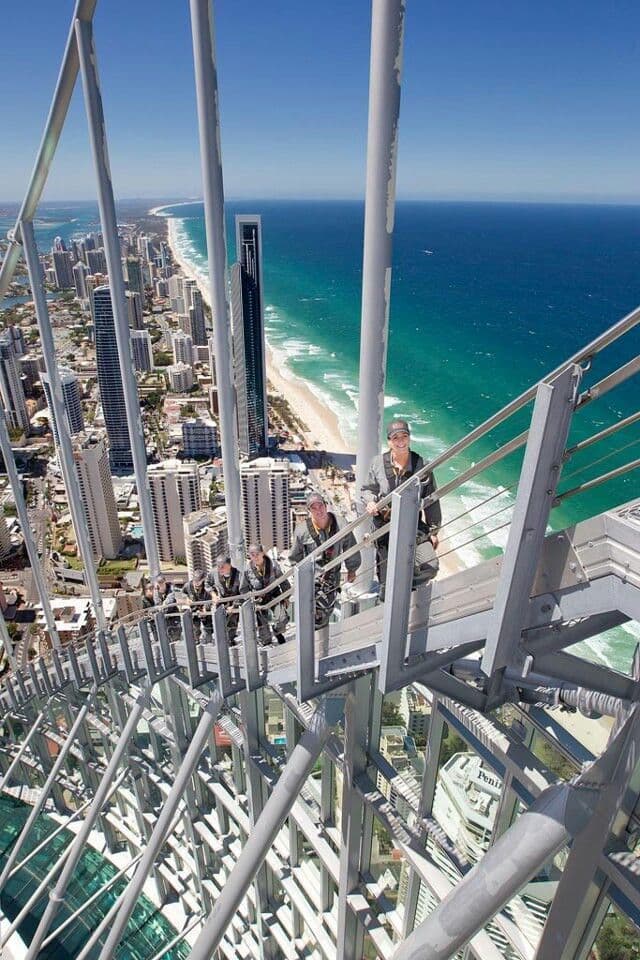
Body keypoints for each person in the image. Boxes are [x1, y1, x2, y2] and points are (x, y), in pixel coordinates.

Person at [361, 418, 441, 599]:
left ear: (409, 438)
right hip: (385, 527)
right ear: (389, 442)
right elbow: (367, 489)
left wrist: (434, 530)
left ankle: (404, 587)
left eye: (404, 436)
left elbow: (431, 499)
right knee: (385, 586)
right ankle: (390, 599)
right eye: (395, 438)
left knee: (430, 566)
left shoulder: (422, 465)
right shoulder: (378, 463)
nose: (401, 441)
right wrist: (370, 502)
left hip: (413, 525)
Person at [289, 491, 361, 628]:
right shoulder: (302, 531)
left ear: (326, 506)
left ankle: (320, 637)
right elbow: (295, 557)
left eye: (320, 506)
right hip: (311, 577)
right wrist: (299, 578)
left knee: (325, 610)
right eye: (313, 508)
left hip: (331, 576)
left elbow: (350, 546)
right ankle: (314, 636)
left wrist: (352, 569)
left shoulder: (341, 524)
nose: (318, 510)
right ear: (309, 511)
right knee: (310, 612)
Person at [241, 544, 290, 646]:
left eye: (257, 554)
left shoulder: (273, 565)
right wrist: (251, 597)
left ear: (262, 553)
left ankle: (277, 632)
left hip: (274, 594)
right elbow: (243, 589)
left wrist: (286, 597)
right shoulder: (246, 570)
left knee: (282, 618)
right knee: (263, 627)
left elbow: (283, 580)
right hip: (259, 599)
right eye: (252, 555)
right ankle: (266, 640)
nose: (255, 557)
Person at [206, 556, 241, 645]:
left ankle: (230, 640)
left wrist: (234, 605)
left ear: (229, 565)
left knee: (232, 622)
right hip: (220, 601)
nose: (220, 568)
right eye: (218, 566)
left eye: (223, 566)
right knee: (220, 622)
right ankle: (221, 642)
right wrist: (213, 595)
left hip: (234, 601)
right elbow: (207, 584)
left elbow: (242, 591)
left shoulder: (238, 574)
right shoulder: (213, 573)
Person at [182, 569, 213, 641]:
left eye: (199, 582)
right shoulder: (188, 585)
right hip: (194, 610)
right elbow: (183, 593)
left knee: (208, 629)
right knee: (195, 629)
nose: (197, 584)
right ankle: (196, 641)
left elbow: (210, 598)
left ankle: (208, 641)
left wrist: (205, 608)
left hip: (205, 610)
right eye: (195, 581)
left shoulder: (206, 586)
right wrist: (186, 599)